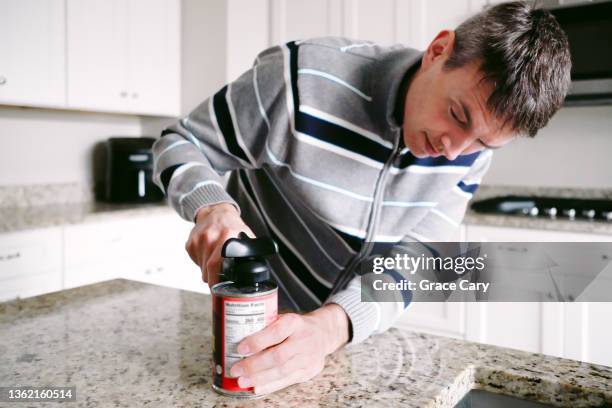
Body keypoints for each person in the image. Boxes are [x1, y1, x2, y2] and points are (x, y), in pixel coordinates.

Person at [152, 1, 571, 395]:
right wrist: (213, 208)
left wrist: (331, 327)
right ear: (439, 50)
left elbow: (418, 258)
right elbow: (180, 142)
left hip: (341, 345)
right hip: (242, 333)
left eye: (483, 142)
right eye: (458, 115)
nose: (454, 150)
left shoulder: (467, 157)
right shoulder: (301, 79)